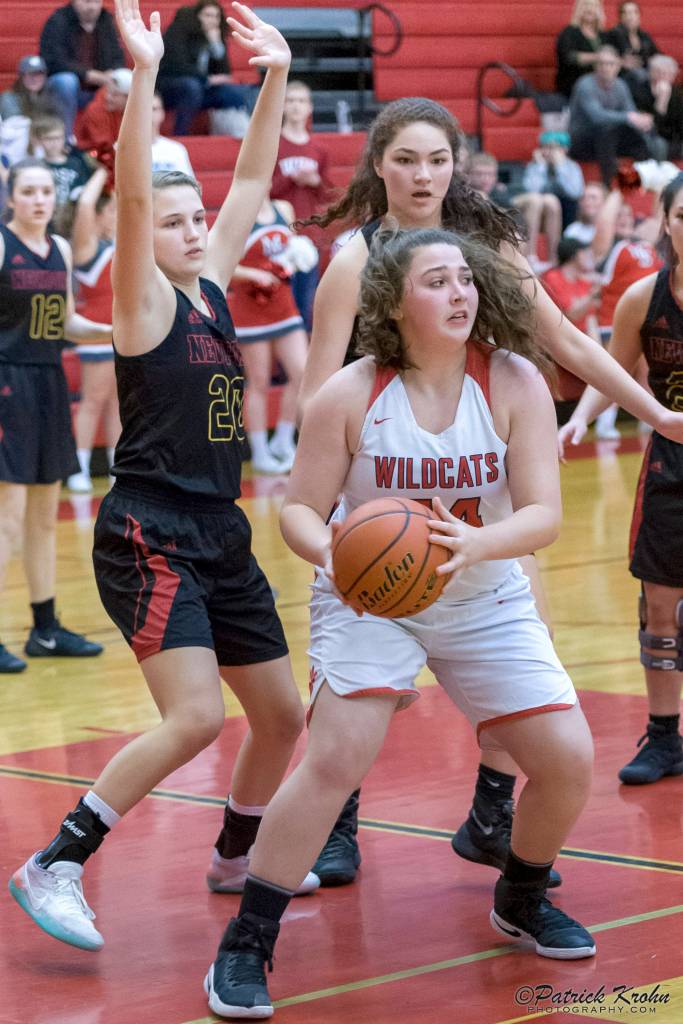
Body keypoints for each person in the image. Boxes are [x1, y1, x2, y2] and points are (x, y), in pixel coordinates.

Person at [204, 227, 597, 1018]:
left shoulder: (513, 380)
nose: (459, 293)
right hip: (371, 601)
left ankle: (519, 896)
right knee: (338, 754)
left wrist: (478, 543)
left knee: (567, 759)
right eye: (437, 281)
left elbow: (543, 515)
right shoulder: (349, 394)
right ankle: (246, 942)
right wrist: (338, 556)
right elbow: (299, 511)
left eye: (465, 279)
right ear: (393, 302)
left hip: (480, 592)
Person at [296, 96, 683, 890]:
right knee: (359, 686)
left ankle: (490, 815)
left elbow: (565, 340)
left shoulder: (488, 242)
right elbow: (316, 393)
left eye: (437, 159)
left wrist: (656, 415)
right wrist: (335, 492)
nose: (423, 175)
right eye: (406, 160)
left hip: (479, 483)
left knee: (527, 657)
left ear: (457, 166)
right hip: (380, 487)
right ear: (378, 166)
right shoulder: (353, 260)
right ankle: (338, 821)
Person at [8, 0, 318, 950]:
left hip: (222, 528)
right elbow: (137, 198)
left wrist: (275, 75)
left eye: (198, 219)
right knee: (193, 718)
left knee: (281, 715)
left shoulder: (212, 286)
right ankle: (55, 861)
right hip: (150, 531)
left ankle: (235, 852)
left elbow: (253, 178)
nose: (190, 229)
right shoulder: (142, 302)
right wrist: (143, 75)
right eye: (175, 219)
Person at [558, 172, 683, 785]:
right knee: (660, 606)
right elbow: (614, 371)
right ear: (666, 223)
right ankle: (664, 738)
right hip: (669, 465)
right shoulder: (643, 297)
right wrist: (579, 419)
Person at [0, 158, 110, 674]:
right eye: (28, 191)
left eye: (46, 191)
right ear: (11, 198)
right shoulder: (3, 245)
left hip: (47, 380)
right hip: (8, 381)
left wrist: (115, 330)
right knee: (9, 515)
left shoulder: (61, 249)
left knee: (45, 516)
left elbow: (66, 321)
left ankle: (45, 630)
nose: (39, 199)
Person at [230, 193, 313, 473]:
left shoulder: (284, 208)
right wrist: (254, 275)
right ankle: (260, 452)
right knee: (259, 381)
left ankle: (283, 440)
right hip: (251, 312)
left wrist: (299, 256)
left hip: (284, 306)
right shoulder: (238, 214)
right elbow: (224, 265)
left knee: (303, 373)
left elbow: (291, 248)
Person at [68, 164, 120, 492]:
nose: (117, 215)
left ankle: (118, 469)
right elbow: (85, 204)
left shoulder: (123, 244)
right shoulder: (87, 247)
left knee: (118, 403)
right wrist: (105, 168)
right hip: (96, 334)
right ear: (99, 216)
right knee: (93, 400)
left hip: (122, 335)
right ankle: (79, 468)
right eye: (112, 210)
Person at [270, 80, 333, 331]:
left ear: (310, 108)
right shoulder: (272, 143)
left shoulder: (319, 149)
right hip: (278, 231)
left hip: (308, 233)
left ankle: (301, 353)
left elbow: (328, 195)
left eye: (301, 101)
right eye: (290, 100)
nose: (296, 106)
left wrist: (315, 181)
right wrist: (291, 178)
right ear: (283, 106)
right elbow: (263, 190)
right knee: (279, 302)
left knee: (305, 303)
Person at [568, 45, 666, 186]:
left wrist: (641, 121)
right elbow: (597, 117)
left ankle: (642, 183)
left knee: (639, 139)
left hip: (609, 140)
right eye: (601, 63)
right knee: (607, 131)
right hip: (582, 141)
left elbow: (630, 112)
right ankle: (608, 186)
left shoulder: (620, 85)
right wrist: (630, 117)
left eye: (610, 64)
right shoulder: (585, 85)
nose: (605, 68)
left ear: (618, 66)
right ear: (595, 66)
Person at [157, 0, 252, 136]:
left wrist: (216, 44)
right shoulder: (177, 31)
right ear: (197, 16)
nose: (213, 20)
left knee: (233, 92)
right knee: (191, 87)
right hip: (171, 87)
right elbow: (176, 66)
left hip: (201, 88)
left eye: (216, 16)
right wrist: (206, 79)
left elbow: (225, 73)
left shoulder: (215, 36)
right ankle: (180, 134)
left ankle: (240, 134)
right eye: (208, 15)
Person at [40, 0, 125, 139]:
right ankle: (66, 139)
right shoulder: (58, 20)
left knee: (126, 78)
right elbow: (54, 61)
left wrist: (113, 73)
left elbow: (117, 56)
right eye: (87, 1)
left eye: (96, 2)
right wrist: (89, 75)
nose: (91, 7)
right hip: (64, 89)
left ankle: (123, 137)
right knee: (66, 81)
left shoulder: (106, 21)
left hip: (100, 88)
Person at [519, 130, 585, 234]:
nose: (548, 152)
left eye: (553, 148)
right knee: (548, 202)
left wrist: (560, 167)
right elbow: (531, 190)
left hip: (566, 209)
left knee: (570, 204)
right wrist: (541, 167)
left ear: (564, 149)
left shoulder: (572, 167)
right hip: (543, 210)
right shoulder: (535, 166)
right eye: (544, 147)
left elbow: (575, 193)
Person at [30, 115, 94, 212]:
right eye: (49, 138)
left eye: (58, 138)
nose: (54, 143)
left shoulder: (76, 164)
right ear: (39, 141)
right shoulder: (36, 166)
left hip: (71, 213)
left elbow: (84, 190)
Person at [630, 55, 683, 161]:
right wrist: (661, 101)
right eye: (662, 73)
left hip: (673, 137)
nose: (666, 77)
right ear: (652, 73)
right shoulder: (639, 90)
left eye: (670, 74)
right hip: (647, 137)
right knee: (659, 144)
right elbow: (651, 125)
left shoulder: (676, 93)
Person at [555, 0, 608, 101]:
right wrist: (597, 57)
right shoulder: (569, 32)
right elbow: (568, 57)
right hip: (575, 82)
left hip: (601, 82)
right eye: (586, 5)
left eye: (594, 6)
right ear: (578, 10)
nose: (590, 8)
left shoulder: (603, 35)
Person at [76, 67, 132, 152]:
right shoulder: (96, 110)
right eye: (107, 91)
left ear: (128, 98)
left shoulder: (136, 113)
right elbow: (103, 146)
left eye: (115, 95)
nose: (108, 97)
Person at [605, 2, 659, 83]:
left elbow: (657, 54)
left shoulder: (644, 35)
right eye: (625, 13)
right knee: (641, 75)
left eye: (633, 13)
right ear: (620, 17)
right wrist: (621, 62)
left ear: (639, 16)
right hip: (622, 74)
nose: (629, 17)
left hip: (645, 70)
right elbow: (606, 57)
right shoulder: (613, 34)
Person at [0, 56, 61, 122]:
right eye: (30, 74)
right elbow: (15, 125)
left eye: (39, 74)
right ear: (21, 77)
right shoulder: (9, 98)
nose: (35, 79)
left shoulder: (51, 96)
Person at [151, 92, 194, 175]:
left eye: (154, 109)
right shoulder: (126, 149)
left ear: (162, 113)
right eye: (144, 109)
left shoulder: (176, 149)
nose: (149, 114)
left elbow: (187, 181)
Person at [563, 180, 606, 245]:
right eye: (583, 198)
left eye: (593, 197)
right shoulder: (572, 230)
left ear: (605, 202)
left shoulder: (613, 230)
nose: (587, 201)